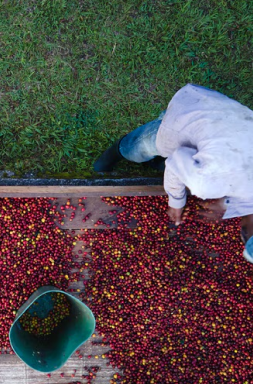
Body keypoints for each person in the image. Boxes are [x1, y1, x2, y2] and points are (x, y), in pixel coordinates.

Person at [93, 83, 253, 261]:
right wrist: (176, 203)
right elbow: (175, 163)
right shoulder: (208, 183)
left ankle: (155, 156)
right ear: (244, 234)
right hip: (188, 117)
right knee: (139, 147)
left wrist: (225, 204)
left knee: (167, 157)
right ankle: (116, 152)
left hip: (227, 114)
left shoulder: (220, 182)